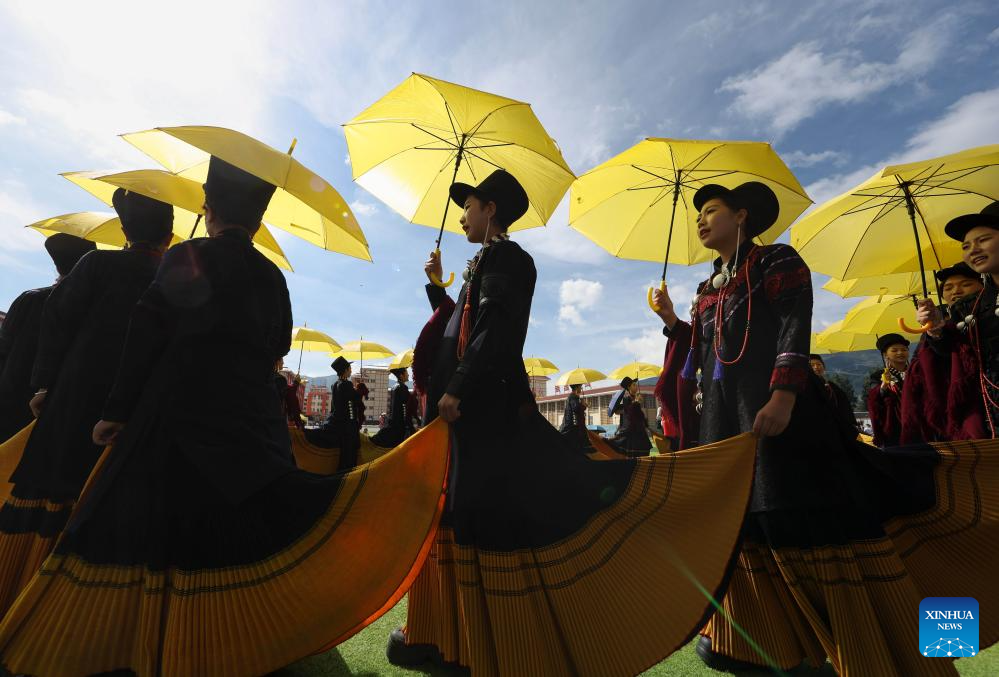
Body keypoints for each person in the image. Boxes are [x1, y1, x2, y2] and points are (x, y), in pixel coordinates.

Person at [0, 156, 451, 677]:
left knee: (147, 534)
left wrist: (117, 412)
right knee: (227, 539)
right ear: (258, 222)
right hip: (241, 431)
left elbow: (145, 334)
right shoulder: (271, 275)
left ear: (208, 211)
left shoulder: (185, 256)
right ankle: (223, 646)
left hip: (171, 424)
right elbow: (278, 342)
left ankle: (137, 643)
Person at [388, 169, 760, 676]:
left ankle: (481, 645)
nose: (461, 214)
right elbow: (465, 325)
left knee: (489, 518)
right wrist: (438, 290)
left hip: (487, 413)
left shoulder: (509, 258)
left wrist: (457, 388)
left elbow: (494, 329)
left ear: (490, 209)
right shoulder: (485, 260)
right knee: (463, 516)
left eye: (469, 204)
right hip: (476, 413)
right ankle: (445, 634)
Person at [651, 181, 999, 675]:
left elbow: (795, 324)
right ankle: (774, 647)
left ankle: (865, 648)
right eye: (700, 214)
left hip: (781, 413)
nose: (702, 221)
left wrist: (784, 393)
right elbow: (709, 355)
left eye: (711, 210)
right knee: (745, 523)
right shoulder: (707, 289)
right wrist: (672, 322)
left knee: (795, 514)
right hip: (725, 421)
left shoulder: (777, 261)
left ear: (742, 215)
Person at [0, 190, 172, 615]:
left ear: (125, 230)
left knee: (57, 490)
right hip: (139, 408)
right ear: (169, 235)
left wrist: (43, 386)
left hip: (75, 398)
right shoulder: (174, 277)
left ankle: (27, 593)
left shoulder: (97, 265)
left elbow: (57, 325)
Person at [0, 234, 95, 442]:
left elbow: (3, 347)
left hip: (9, 394)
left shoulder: (32, 299)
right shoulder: (88, 312)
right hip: (44, 407)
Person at [915, 204, 999, 438]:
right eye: (966, 246)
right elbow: (953, 354)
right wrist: (936, 330)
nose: (973, 250)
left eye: (983, 240)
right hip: (990, 415)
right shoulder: (970, 307)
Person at [901, 263, 983, 443]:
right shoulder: (942, 325)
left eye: (966, 284)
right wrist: (936, 331)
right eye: (948, 288)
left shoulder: (989, 313)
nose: (956, 291)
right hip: (959, 416)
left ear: (982, 283)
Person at [867, 333, 909, 447]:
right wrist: (883, 387)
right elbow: (874, 401)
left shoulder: (916, 372)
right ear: (885, 354)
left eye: (904, 349)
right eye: (894, 350)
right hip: (894, 427)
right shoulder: (878, 376)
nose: (900, 353)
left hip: (918, 424)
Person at [809, 354, 860, 437]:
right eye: (812, 365)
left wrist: (850, 423)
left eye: (819, 364)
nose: (816, 367)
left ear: (824, 367)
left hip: (836, 427)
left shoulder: (831, 386)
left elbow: (844, 405)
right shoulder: (805, 387)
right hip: (817, 429)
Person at [370, 367, 415, 447]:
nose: (408, 375)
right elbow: (409, 406)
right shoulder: (402, 388)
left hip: (393, 422)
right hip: (400, 425)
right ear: (401, 376)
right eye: (406, 373)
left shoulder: (394, 387)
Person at [608, 376, 653, 456]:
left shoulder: (635, 397)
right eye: (633, 385)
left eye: (636, 385)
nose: (636, 387)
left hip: (640, 430)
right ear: (629, 387)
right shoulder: (626, 398)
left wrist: (646, 425)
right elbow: (629, 412)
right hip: (632, 430)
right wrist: (636, 402)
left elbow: (639, 414)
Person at [557, 382, 590, 452]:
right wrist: (583, 405)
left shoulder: (575, 397)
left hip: (574, 428)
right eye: (580, 387)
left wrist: (582, 404)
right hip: (572, 427)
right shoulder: (573, 397)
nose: (581, 388)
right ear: (577, 387)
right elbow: (576, 408)